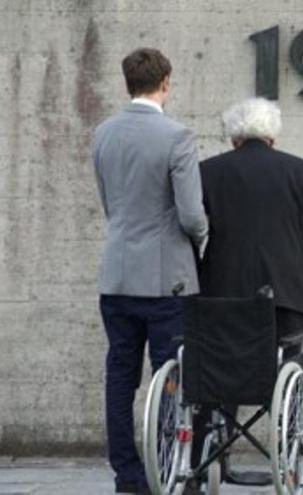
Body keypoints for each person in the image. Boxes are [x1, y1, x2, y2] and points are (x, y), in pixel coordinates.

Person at [196, 98, 303, 495]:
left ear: (234, 136)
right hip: (286, 294)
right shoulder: (298, 170)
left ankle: (199, 467)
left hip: (223, 294)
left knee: (215, 380)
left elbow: (192, 231)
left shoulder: (209, 171)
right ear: (272, 135)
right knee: (298, 382)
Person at [92, 48, 208, 494]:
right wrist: (201, 239)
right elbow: (192, 214)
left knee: (120, 377)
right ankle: (167, 467)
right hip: (166, 280)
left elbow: (110, 205)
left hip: (117, 274)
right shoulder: (177, 136)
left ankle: (127, 474)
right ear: (165, 82)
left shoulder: (103, 133)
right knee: (171, 378)